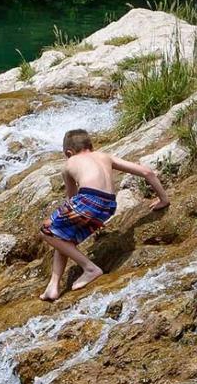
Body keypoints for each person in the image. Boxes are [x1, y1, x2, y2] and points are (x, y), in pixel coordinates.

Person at [39, 128, 170, 301]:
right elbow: (147, 172)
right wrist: (163, 199)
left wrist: (58, 218)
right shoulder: (104, 156)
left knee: (47, 230)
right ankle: (53, 287)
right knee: (63, 235)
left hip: (88, 200)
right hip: (109, 205)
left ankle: (90, 268)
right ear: (90, 146)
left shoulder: (70, 163)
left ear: (68, 153)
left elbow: (72, 199)